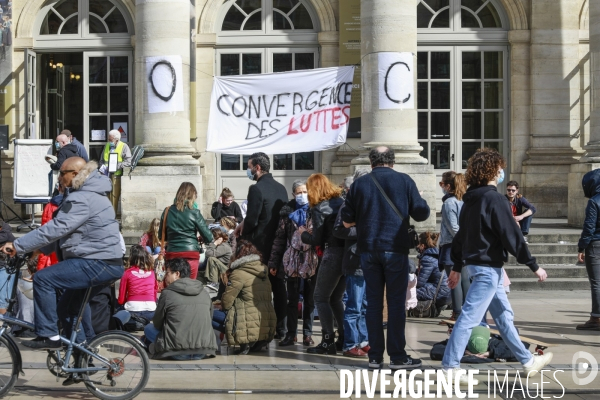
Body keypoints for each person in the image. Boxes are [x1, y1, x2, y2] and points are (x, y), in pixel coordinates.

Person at [443, 148, 551, 384]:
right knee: (469, 317)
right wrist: (534, 265)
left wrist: (457, 266)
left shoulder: (470, 199)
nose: (502, 172)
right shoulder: (494, 199)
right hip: (487, 268)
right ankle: (450, 367)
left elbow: (461, 237)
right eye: (500, 167)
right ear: (493, 170)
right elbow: (511, 235)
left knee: (503, 317)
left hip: (478, 266)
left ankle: (528, 360)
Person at [0, 158, 124, 350]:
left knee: (43, 279)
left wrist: (18, 244)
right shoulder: (91, 195)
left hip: (97, 262)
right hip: (102, 262)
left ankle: (49, 335)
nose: (59, 177)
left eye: (62, 172)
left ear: (75, 174)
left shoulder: (82, 198)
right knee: (67, 310)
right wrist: (37, 249)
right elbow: (65, 234)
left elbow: (56, 229)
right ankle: (84, 358)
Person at [341, 146, 430, 370]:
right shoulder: (404, 181)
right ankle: (398, 356)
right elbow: (421, 213)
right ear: (392, 161)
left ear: (371, 161)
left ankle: (375, 357)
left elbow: (346, 220)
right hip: (395, 248)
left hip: (368, 249)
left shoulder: (359, 184)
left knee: (372, 304)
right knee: (396, 303)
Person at [239, 152, 288, 338]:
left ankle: (262, 326)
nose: (248, 170)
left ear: (257, 168)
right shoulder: (281, 188)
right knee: (279, 287)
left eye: (249, 166)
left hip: (259, 247)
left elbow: (252, 220)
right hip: (279, 246)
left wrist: (244, 233)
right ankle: (282, 330)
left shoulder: (256, 189)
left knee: (259, 288)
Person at [300, 173, 345, 354]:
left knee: (320, 297)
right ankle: (343, 337)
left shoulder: (319, 208)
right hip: (346, 253)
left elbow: (316, 238)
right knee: (335, 298)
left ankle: (327, 340)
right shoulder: (340, 202)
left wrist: (303, 233)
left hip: (331, 253)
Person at [268, 179, 316, 347]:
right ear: (294, 194)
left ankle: (308, 334)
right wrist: (274, 262)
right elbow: (279, 239)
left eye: (305, 192)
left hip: (311, 260)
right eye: (299, 192)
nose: (302, 195)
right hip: (292, 260)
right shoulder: (287, 213)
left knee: (310, 299)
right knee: (292, 298)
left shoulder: (315, 211)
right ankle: (291, 334)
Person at [143, 258, 217, 360]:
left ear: (177, 274)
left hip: (177, 351)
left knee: (148, 328)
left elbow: (157, 323)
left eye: (167, 273)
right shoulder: (204, 292)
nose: (165, 276)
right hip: (202, 351)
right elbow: (210, 318)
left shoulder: (167, 294)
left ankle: (156, 346)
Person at [334, 168, 370, 358]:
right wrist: (364, 230)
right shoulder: (348, 204)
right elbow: (338, 230)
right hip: (355, 260)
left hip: (369, 261)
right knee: (354, 305)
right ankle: (350, 344)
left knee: (365, 306)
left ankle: (364, 340)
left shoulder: (371, 203)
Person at [219, 240, 276, 355]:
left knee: (210, 315)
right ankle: (258, 340)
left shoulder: (238, 273)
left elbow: (226, 302)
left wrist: (220, 305)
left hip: (244, 322)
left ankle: (244, 343)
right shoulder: (263, 271)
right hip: (265, 321)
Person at [159, 182, 213, 280]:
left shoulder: (167, 211)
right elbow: (209, 237)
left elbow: (161, 236)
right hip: (190, 252)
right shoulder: (194, 212)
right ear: (192, 196)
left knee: (173, 284)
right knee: (190, 285)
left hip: (173, 253)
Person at [438, 171, 467, 320]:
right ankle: (465, 311)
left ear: (448, 186)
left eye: (442, 184)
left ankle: (457, 312)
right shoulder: (462, 200)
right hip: (462, 244)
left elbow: (453, 227)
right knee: (464, 279)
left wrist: (462, 241)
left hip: (452, 245)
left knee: (454, 280)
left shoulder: (449, 202)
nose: (441, 187)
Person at [576, 169, 600, 330]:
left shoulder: (594, 201)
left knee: (597, 283)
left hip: (596, 244)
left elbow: (589, 227)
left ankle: (596, 318)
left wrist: (581, 247)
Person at [117, 245, 157, 322]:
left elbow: (121, 299)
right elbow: (154, 294)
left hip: (132, 310)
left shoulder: (127, 273)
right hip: (151, 311)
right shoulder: (152, 273)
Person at [98, 129, 132, 212]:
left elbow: (128, 162)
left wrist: (116, 166)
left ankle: (112, 217)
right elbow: (101, 160)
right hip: (105, 176)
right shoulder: (107, 146)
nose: (109, 141)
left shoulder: (124, 146)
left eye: (110, 139)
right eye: (109, 139)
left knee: (114, 198)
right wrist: (102, 168)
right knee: (105, 198)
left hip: (116, 176)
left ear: (116, 140)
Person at [415, 232, 450, 307]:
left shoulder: (427, 259)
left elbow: (419, 283)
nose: (417, 246)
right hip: (446, 292)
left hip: (440, 293)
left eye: (418, 244)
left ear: (423, 245)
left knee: (406, 291)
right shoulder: (437, 255)